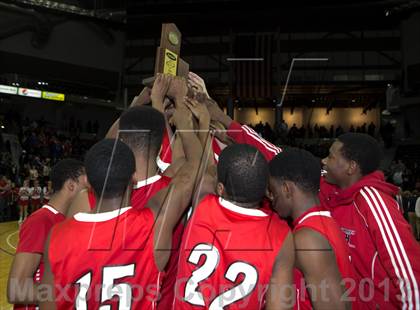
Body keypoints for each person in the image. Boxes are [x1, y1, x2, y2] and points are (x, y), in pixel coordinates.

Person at [40, 105, 202, 308]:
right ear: (132, 176)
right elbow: (192, 168)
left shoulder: (57, 236)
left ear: (87, 180)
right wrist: (189, 124)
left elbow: (48, 303)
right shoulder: (152, 227)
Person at [174, 144, 295, 309]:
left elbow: (205, 166)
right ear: (265, 190)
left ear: (220, 188)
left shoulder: (202, 201)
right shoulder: (281, 234)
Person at [320, 133, 420, 309]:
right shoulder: (338, 198)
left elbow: (409, 274)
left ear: (351, 167)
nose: (324, 161)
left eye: (331, 157)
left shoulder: (373, 202)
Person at [269, 148, 353, 310]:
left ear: (286, 189)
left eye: (273, 191)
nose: (271, 199)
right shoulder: (323, 221)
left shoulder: (306, 238)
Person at [7, 159, 87, 310]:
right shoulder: (41, 221)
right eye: (86, 186)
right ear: (71, 185)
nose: (91, 191)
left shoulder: (68, 221)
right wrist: (72, 294)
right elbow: (16, 289)